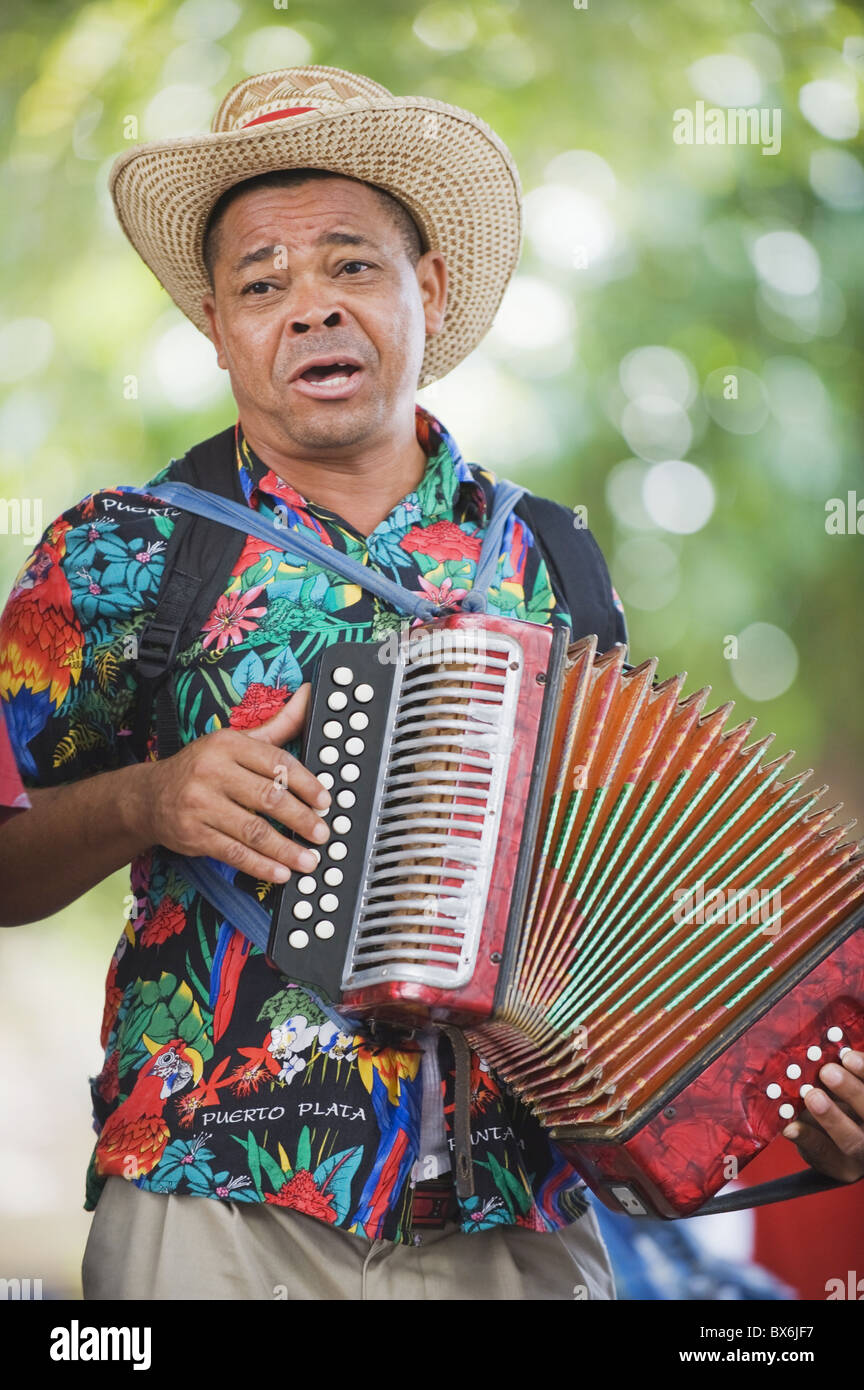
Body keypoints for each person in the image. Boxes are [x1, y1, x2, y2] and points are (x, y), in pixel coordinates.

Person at [0, 65, 861, 1303]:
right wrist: (149, 800)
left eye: (352, 264)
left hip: (514, 1213)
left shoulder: (552, 555)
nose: (309, 308)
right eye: (261, 283)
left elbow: (616, 893)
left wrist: (787, 1084)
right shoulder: (118, 551)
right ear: (212, 324)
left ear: (430, 288)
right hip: (219, 1199)